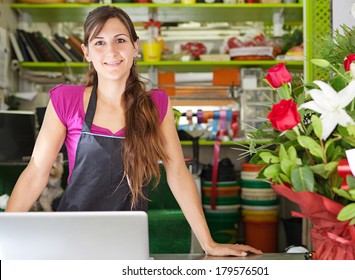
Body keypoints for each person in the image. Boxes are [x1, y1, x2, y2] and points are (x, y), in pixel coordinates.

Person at [6, 5, 261, 257]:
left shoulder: (155, 104)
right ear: (86, 52)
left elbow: (178, 173)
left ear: (135, 47)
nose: (111, 51)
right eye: (99, 43)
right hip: (71, 234)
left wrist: (209, 243)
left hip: (127, 239)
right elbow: (36, 173)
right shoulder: (65, 100)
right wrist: (5, 239)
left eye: (120, 40)